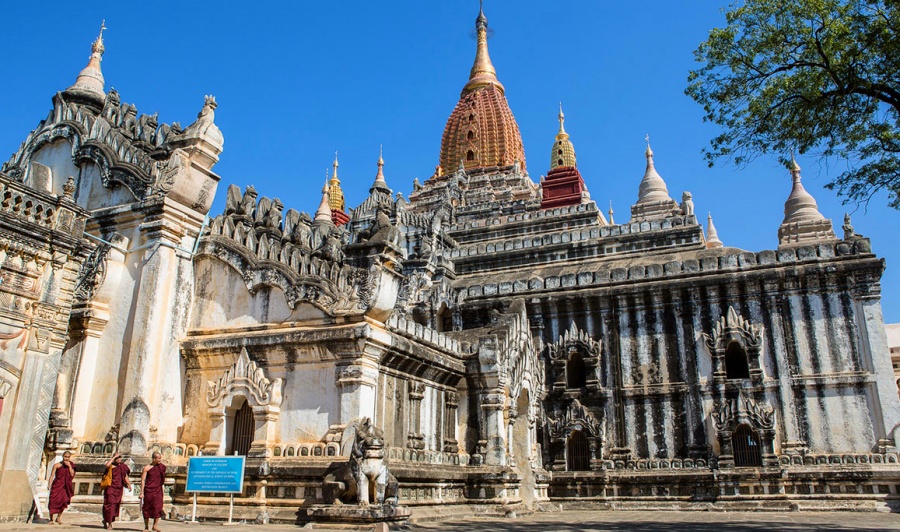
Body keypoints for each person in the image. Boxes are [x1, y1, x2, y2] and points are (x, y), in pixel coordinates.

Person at [102, 453, 131, 530]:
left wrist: (129, 484)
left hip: (118, 489)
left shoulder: (122, 466)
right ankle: (109, 523)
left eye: (120, 457)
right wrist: (113, 457)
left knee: (115, 505)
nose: (119, 459)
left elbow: (125, 476)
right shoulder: (111, 466)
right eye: (117, 458)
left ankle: (107, 520)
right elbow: (107, 465)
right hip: (110, 488)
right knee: (109, 505)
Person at [47, 451, 76, 525]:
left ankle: (58, 517)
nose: (66, 458)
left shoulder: (71, 465)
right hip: (57, 485)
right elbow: (52, 475)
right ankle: (51, 519)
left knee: (63, 502)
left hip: (65, 487)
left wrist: (69, 466)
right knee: (53, 501)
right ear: (62, 456)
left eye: (68, 457)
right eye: (65, 457)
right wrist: (49, 484)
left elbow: (72, 474)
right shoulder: (57, 465)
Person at [140, 452, 166, 532]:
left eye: (160, 458)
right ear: (154, 459)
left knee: (157, 508)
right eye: (158, 458)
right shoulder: (147, 468)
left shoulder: (162, 467)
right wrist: (142, 492)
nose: (160, 460)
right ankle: (146, 526)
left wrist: (163, 492)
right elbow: (143, 480)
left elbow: (162, 481)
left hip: (158, 490)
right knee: (147, 508)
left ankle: (155, 526)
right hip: (148, 490)